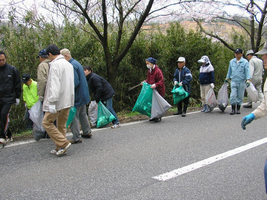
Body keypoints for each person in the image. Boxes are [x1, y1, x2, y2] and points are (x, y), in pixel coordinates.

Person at [42, 44, 74, 156]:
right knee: (61, 124)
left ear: (50, 54)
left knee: (46, 122)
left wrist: (52, 101)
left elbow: (54, 85)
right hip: (68, 99)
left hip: (58, 101)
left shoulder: (55, 65)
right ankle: (59, 147)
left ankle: (63, 143)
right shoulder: (68, 64)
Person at [60, 48, 92, 144]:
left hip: (77, 95)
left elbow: (74, 82)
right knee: (83, 114)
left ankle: (76, 137)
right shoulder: (76, 63)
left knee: (73, 116)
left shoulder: (71, 65)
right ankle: (87, 131)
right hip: (83, 94)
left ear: (65, 56)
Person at [241, 42, 267, 130]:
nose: (263, 57)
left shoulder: (252, 61)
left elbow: (250, 71)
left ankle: (249, 102)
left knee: (251, 91)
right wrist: (254, 114)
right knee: (259, 91)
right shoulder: (260, 61)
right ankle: (258, 101)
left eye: (265, 55)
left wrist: (249, 79)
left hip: (253, 78)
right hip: (260, 78)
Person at [0, 51, 21, 144]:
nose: (1, 62)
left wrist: (17, 96)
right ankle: (9, 134)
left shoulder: (12, 70)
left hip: (9, 97)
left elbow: (17, 84)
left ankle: (2, 136)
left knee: (4, 114)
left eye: (3, 60)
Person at [224, 48, 251, 115]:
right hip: (233, 81)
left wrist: (248, 80)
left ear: (241, 54)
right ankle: (233, 109)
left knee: (240, 95)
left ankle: (238, 108)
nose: (236, 54)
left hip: (241, 81)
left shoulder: (245, 62)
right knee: (233, 95)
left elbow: (247, 71)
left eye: (238, 53)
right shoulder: (232, 61)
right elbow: (229, 71)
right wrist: (227, 78)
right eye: (236, 53)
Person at [142, 57, 165, 122]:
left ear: (152, 63)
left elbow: (161, 81)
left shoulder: (158, 71)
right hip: (152, 90)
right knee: (152, 103)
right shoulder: (149, 70)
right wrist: (145, 82)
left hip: (159, 89)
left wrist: (155, 85)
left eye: (148, 63)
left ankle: (158, 116)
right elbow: (149, 80)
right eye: (146, 64)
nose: (147, 65)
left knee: (157, 104)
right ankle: (153, 116)